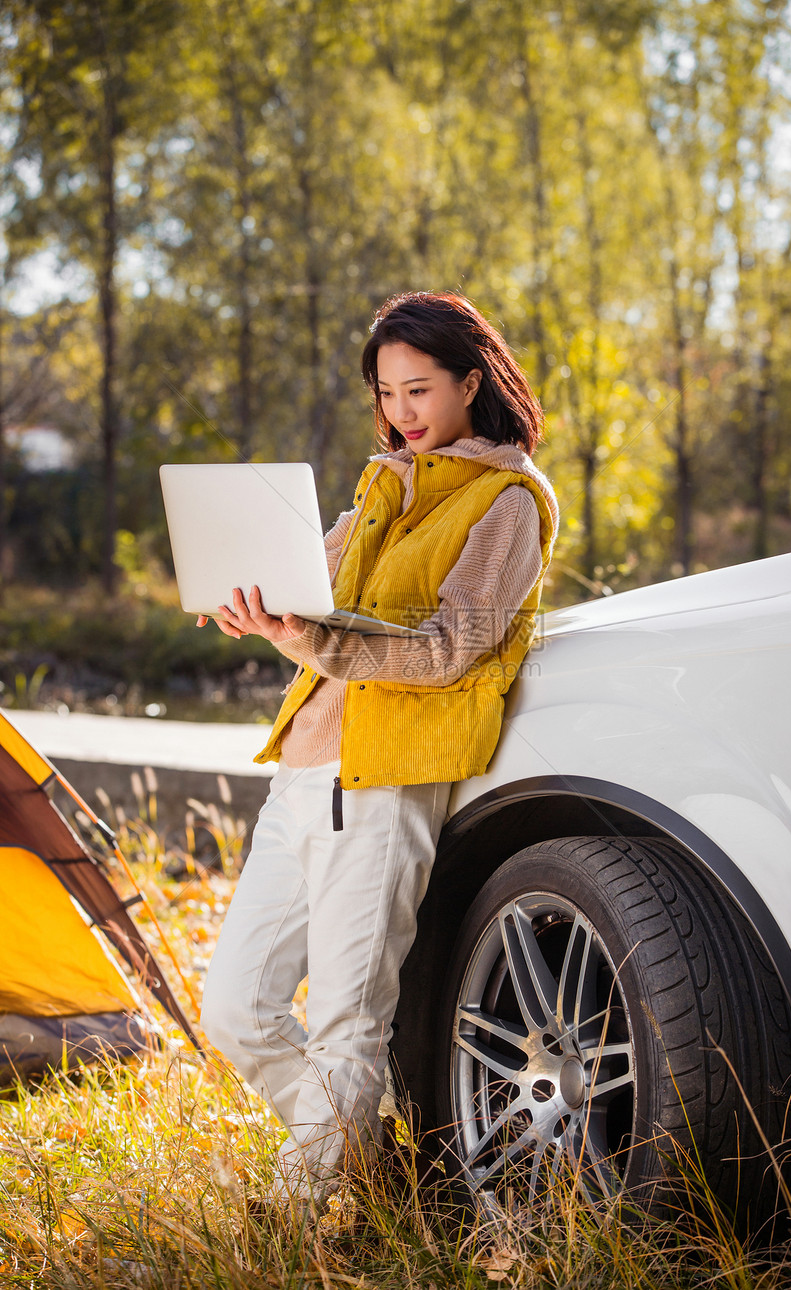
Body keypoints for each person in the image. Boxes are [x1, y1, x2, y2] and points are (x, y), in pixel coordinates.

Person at [198, 290, 559, 1210]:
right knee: (237, 1011)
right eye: (388, 392)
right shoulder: (382, 481)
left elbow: (449, 649)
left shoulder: (507, 499)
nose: (402, 411)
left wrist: (305, 640)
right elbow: (304, 586)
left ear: (472, 382)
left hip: (390, 782)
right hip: (305, 770)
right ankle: (365, 1144)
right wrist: (241, 596)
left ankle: (297, 1220)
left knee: (348, 1026)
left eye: (420, 389)